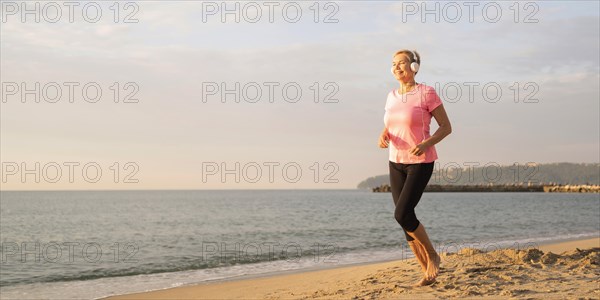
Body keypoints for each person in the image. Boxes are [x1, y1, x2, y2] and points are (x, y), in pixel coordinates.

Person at [379, 49, 452, 286]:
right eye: (393, 64)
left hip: (420, 162)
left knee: (402, 214)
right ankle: (426, 273)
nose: (397, 67)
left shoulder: (426, 93)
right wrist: (384, 134)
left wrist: (426, 143)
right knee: (404, 220)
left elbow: (446, 127)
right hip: (395, 161)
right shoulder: (390, 96)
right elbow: (391, 125)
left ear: (414, 67)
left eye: (402, 63)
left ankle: (432, 255)